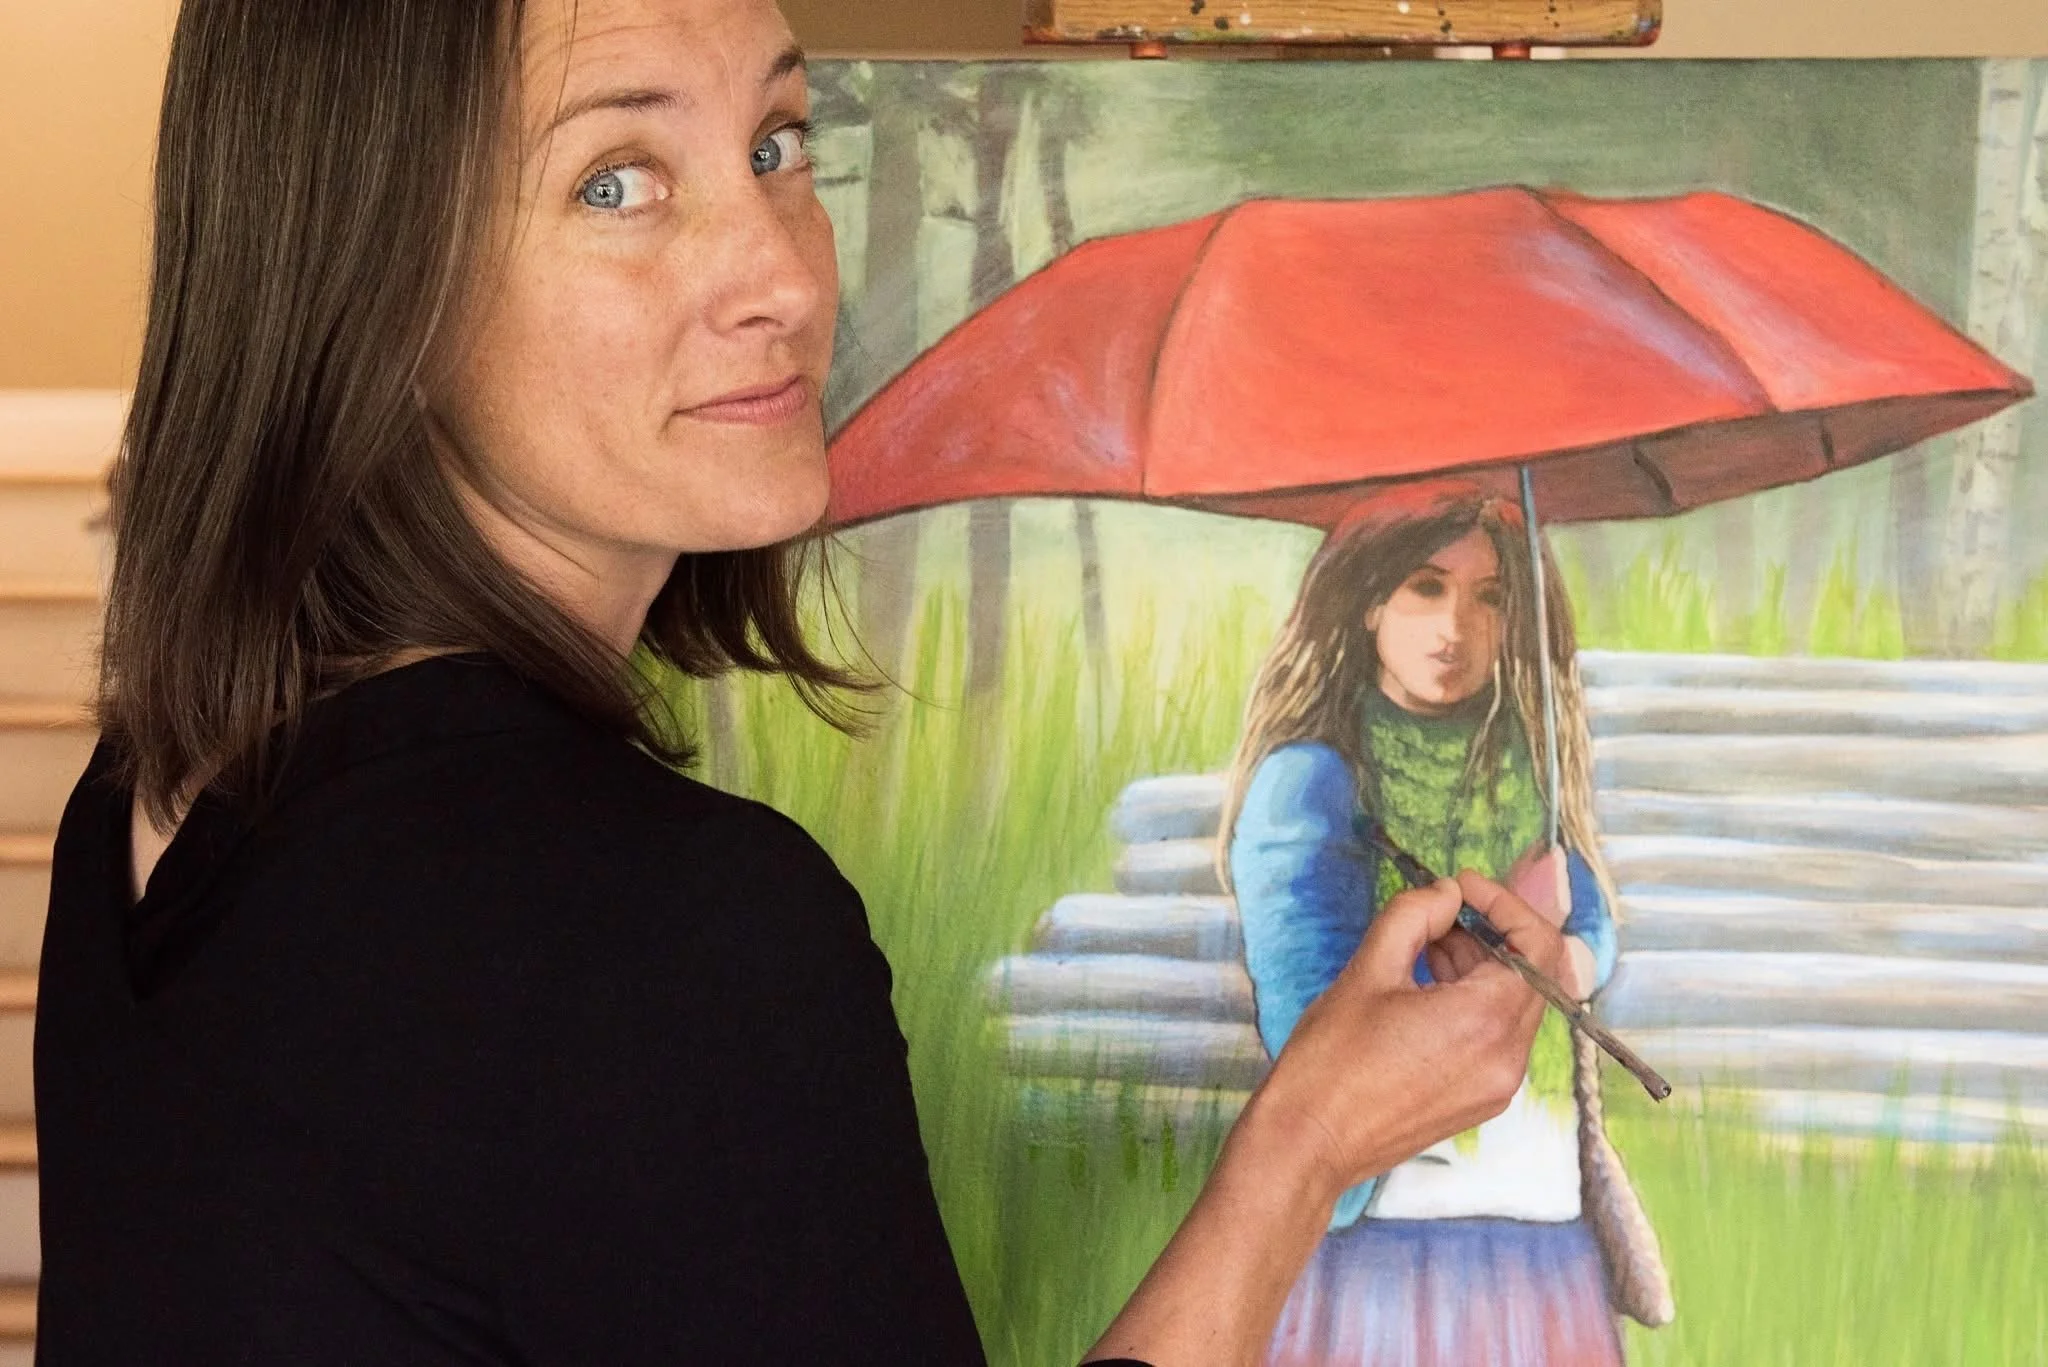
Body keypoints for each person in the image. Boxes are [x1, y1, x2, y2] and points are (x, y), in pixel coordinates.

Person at [30, 2, 1569, 1363]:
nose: (781, 273)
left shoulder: (164, 780)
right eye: (616, 182)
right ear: (366, 277)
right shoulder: (670, 928)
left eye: (776, 142)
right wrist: (1301, 1148)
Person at [1221, 480, 1668, 1366]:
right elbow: (1314, 1025)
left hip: (1539, 1206)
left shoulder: (1526, 767)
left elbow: (1589, 916)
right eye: (1426, 586)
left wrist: (1568, 957)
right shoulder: (1313, 783)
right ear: (1368, 600)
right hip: (1392, 1221)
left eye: (1489, 596)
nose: (1456, 625)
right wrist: (1486, 967)